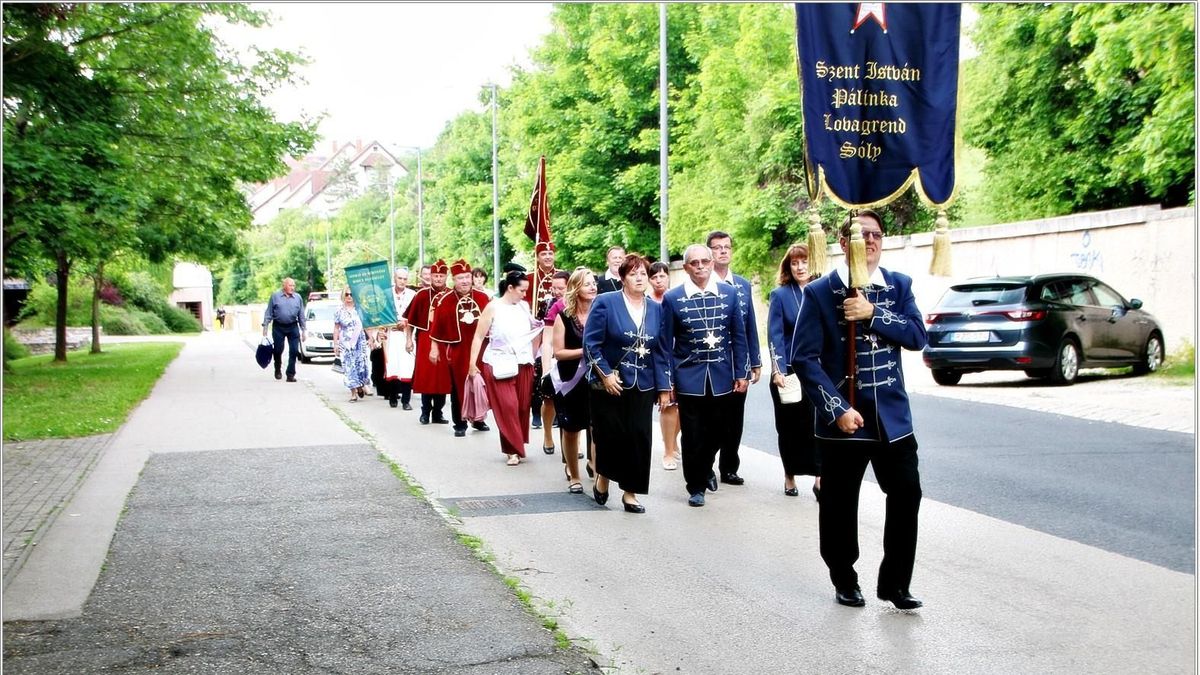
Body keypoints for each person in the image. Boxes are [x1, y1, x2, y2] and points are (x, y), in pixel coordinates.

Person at [792, 210, 927, 610]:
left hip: (892, 418)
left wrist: (874, 314)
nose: (869, 241)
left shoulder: (899, 285)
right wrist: (836, 409)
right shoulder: (820, 291)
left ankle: (896, 584)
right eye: (860, 233)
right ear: (842, 240)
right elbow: (804, 358)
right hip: (844, 421)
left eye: (876, 234)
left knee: (907, 494)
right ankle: (844, 577)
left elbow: (918, 336)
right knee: (838, 503)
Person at [659, 244, 749, 507]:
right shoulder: (673, 298)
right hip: (688, 375)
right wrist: (668, 382)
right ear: (686, 267)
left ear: (711, 263)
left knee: (720, 431)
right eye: (694, 263)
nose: (700, 267)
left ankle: (707, 466)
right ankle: (695, 485)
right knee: (694, 433)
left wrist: (741, 371)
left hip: (722, 375)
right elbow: (665, 343)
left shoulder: (730, 294)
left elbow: (739, 337)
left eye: (704, 262)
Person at [584, 254, 669, 514]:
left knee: (639, 438)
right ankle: (604, 476)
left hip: (644, 384)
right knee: (610, 435)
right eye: (633, 274)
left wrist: (664, 387)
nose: (640, 278)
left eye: (643, 273)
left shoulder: (656, 308)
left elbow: (662, 351)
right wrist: (605, 374)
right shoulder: (605, 303)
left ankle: (630, 493)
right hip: (611, 382)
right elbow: (591, 343)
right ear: (623, 278)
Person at [468, 271, 543, 466]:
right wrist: (472, 364)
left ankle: (517, 443)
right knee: (507, 406)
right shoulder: (493, 307)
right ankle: (512, 450)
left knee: (522, 406)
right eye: (521, 290)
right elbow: (478, 336)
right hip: (499, 362)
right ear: (510, 288)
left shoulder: (524, 306)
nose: (524, 294)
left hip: (523, 362)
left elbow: (531, 331)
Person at [707, 230, 762, 487]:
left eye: (726, 247)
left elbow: (750, 323)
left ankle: (729, 467)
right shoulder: (703, 283)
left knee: (734, 418)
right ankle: (705, 466)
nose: (722, 251)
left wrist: (755, 361)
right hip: (711, 362)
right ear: (710, 252)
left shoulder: (742, 284)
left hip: (737, 361)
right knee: (712, 419)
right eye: (717, 247)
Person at [767, 243, 820, 498]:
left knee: (819, 425)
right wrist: (777, 370)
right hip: (787, 372)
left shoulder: (823, 291)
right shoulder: (780, 295)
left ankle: (820, 478)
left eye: (804, 262)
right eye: (795, 263)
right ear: (788, 266)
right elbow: (774, 335)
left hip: (818, 371)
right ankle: (789, 475)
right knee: (789, 428)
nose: (800, 267)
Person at [430, 259, 492, 438]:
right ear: (453, 280)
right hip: (457, 350)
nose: (464, 281)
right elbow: (436, 328)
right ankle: (460, 422)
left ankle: (479, 419)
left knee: (480, 385)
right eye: (460, 278)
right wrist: (434, 348)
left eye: (467, 277)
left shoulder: (482, 298)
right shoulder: (446, 300)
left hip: (480, 349)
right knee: (459, 387)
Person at [550, 268, 596, 494]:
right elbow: (558, 352)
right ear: (576, 288)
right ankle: (574, 474)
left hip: (596, 379)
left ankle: (596, 468)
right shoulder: (564, 317)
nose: (593, 287)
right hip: (570, 379)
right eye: (587, 284)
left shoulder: (601, 312)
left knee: (596, 427)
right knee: (571, 429)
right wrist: (585, 351)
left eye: (594, 283)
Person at [405, 259, 452, 424]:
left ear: (446, 277)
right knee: (427, 376)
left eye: (441, 276)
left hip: (446, 340)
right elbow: (410, 321)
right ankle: (425, 412)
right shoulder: (422, 295)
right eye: (435, 275)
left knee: (442, 377)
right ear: (430, 277)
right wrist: (408, 340)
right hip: (426, 338)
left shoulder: (451, 295)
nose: (438, 279)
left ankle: (438, 413)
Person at [528, 241, 565, 433]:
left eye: (551, 253)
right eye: (544, 254)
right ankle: (537, 414)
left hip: (564, 343)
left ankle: (560, 415)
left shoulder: (563, 277)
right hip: (542, 340)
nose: (548, 257)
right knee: (540, 381)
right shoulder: (530, 279)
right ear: (538, 257)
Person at [647, 261, 679, 470]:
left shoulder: (675, 298)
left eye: (662, 276)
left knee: (682, 405)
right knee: (667, 403)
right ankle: (667, 451)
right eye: (655, 277)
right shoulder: (648, 302)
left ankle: (674, 442)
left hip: (678, 355)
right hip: (654, 356)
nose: (659, 280)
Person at [536, 270, 570, 451]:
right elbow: (545, 339)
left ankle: (574, 443)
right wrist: (546, 368)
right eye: (554, 288)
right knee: (549, 400)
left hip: (573, 358)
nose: (557, 291)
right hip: (551, 358)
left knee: (572, 402)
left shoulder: (580, 303)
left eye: (561, 288)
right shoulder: (549, 305)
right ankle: (548, 434)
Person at [262, 277, 306, 382]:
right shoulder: (275, 296)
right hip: (278, 327)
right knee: (278, 350)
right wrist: (265, 326)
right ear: (284, 286)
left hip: (293, 326)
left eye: (294, 285)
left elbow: (301, 315)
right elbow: (269, 312)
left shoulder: (298, 297)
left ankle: (290, 374)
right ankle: (277, 368)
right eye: (290, 285)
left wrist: (304, 330)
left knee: (294, 351)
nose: (293, 288)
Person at [333, 288, 371, 402]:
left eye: (351, 294)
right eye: (347, 294)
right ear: (343, 295)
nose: (349, 296)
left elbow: (366, 325)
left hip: (360, 342)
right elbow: (336, 328)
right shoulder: (339, 310)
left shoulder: (360, 309)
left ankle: (360, 385)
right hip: (346, 342)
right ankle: (353, 393)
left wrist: (371, 338)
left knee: (361, 365)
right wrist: (335, 343)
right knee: (349, 367)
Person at [390, 266, 417, 409]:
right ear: (395, 278)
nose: (402, 281)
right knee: (392, 366)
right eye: (400, 278)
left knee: (407, 366)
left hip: (407, 334)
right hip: (391, 334)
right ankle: (393, 397)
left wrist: (405, 323)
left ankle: (406, 400)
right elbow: (381, 315)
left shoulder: (413, 294)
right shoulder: (387, 294)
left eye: (405, 278)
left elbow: (416, 315)